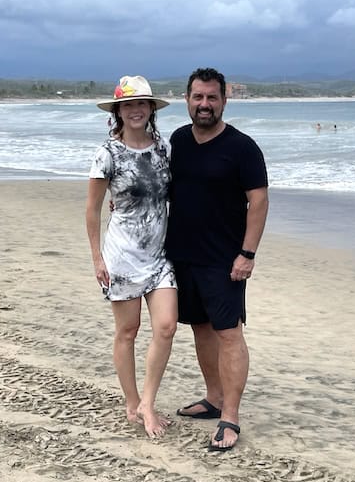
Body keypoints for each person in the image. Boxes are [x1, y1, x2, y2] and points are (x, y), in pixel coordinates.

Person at [166, 67, 269, 451]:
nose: (204, 104)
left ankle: (232, 417)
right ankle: (213, 398)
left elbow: (258, 202)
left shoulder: (242, 148)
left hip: (225, 260)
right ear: (187, 99)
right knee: (200, 328)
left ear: (224, 100)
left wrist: (247, 253)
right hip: (182, 255)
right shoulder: (178, 140)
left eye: (212, 97)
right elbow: (164, 188)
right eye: (198, 97)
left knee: (229, 333)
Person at [85, 75, 177, 438]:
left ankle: (148, 403)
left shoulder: (164, 149)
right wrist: (97, 258)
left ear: (151, 109)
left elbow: (174, 194)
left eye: (141, 104)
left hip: (159, 255)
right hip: (121, 255)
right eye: (128, 105)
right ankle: (131, 401)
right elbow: (92, 210)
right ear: (118, 112)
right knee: (127, 330)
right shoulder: (107, 153)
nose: (135, 110)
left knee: (166, 326)